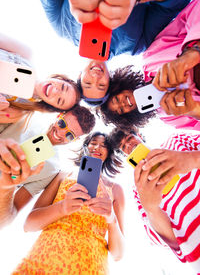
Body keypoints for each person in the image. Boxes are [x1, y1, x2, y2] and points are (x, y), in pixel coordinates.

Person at [12, 132, 125, 274]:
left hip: (90, 267)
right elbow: (29, 225)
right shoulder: (62, 176)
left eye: (103, 145)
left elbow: (118, 254)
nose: (97, 147)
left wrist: (112, 220)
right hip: (41, 262)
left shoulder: (115, 189)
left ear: (108, 153)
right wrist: (62, 208)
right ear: (85, 147)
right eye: (93, 142)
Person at [28, 0, 200, 59]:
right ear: (112, 81)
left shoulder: (62, 27)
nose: (95, 78)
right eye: (101, 87)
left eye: (87, 83)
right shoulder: (138, 45)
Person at [0, 105, 95, 228]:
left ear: (75, 140)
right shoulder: (25, 117)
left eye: (69, 135)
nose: (60, 133)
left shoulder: (52, 169)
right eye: (62, 124)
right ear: (58, 116)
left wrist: (7, 187)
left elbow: (5, 220)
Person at [133, 133, 200, 273]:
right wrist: (151, 208)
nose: (128, 146)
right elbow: (169, 242)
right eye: (122, 147)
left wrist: (193, 158)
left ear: (139, 135)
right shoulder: (138, 190)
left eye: (128, 138)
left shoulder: (175, 140)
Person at [142, 0, 200, 131]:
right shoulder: (169, 116)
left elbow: (193, 12)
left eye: (116, 100)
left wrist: (193, 49)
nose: (125, 103)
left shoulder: (151, 57)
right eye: (121, 111)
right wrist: (196, 110)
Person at [0, 33, 81, 127]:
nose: (54, 91)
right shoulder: (25, 54)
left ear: (51, 106)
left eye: (59, 100)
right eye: (63, 87)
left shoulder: (17, 111)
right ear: (61, 79)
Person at [99, 65, 156, 130]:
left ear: (118, 88)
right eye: (121, 110)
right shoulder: (165, 115)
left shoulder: (150, 65)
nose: (123, 104)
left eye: (117, 100)